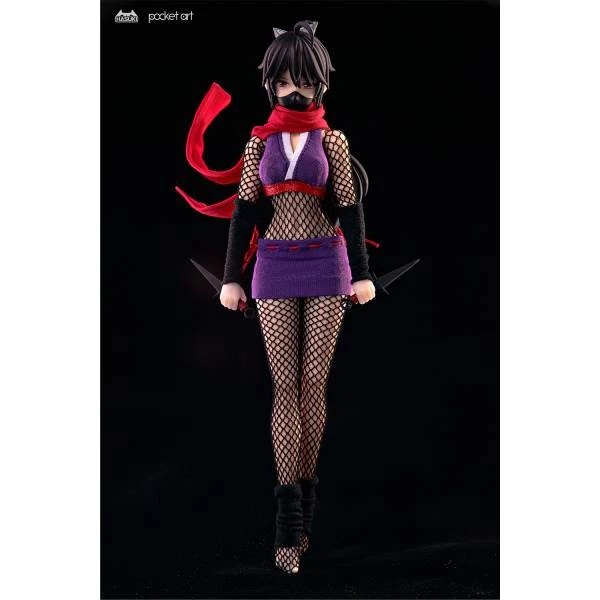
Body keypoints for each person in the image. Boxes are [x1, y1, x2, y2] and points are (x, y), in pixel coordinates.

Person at [176, 19, 376, 574]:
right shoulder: (257, 143)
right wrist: (231, 277)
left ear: (321, 83)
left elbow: (351, 208)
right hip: (273, 266)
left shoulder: (332, 141)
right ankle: (288, 525)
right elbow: (243, 213)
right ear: (271, 83)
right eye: (285, 80)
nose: (294, 91)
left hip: (327, 261)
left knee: (313, 386)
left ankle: (304, 515)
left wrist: (362, 272)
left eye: (304, 81)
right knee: (285, 387)